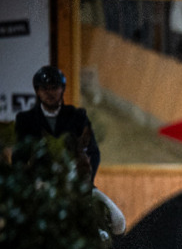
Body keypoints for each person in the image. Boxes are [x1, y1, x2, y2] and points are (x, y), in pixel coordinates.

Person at [15, 65, 125, 235]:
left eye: (55, 88)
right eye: (45, 88)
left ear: (62, 89)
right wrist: (30, 183)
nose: (50, 93)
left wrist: (86, 184)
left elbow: (93, 153)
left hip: (78, 184)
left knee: (118, 222)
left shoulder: (77, 116)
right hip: (42, 185)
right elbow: (19, 157)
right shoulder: (26, 120)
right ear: (37, 91)